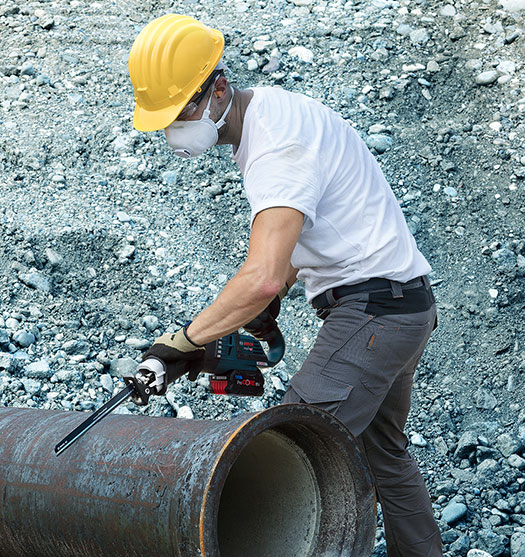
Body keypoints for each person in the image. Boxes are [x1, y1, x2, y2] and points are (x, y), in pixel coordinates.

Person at [130, 14, 443, 556]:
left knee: (286, 448)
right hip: (402, 305)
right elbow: (298, 250)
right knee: (382, 454)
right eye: (166, 118)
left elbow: (262, 274)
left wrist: (180, 344)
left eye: (181, 111)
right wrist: (264, 307)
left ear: (219, 86)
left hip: (371, 312)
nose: (174, 128)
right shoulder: (277, 115)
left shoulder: (276, 148)